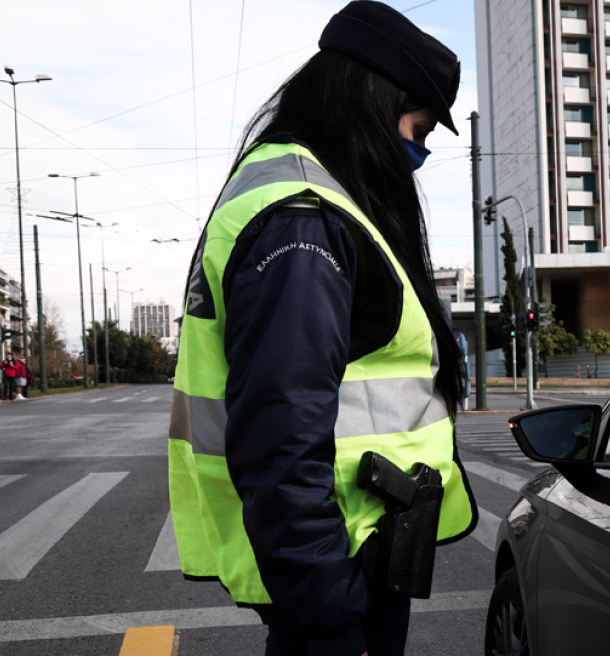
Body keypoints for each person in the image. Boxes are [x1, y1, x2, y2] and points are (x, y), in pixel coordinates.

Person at [167, 3, 477, 655]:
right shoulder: (306, 221)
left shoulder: (313, 205)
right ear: (371, 100)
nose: (416, 153)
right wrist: (330, 615)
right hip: (337, 570)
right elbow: (280, 434)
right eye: (417, 129)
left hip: (350, 557)